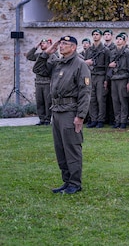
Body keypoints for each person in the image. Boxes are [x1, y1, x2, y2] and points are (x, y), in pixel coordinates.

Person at [33, 36, 91, 195]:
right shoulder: (57, 63)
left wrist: (80, 116)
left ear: (73, 47)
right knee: (60, 149)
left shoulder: (80, 64)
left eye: (65, 44)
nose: (61, 46)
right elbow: (38, 69)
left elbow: (85, 92)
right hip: (57, 110)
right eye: (61, 44)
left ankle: (75, 183)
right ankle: (66, 181)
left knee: (72, 148)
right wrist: (47, 53)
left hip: (70, 111)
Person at [26, 39, 56, 126]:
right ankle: (41, 119)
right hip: (38, 82)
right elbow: (29, 56)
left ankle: (47, 119)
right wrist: (36, 46)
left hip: (47, 82)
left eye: (44, 43)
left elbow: (47, 70)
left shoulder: (52, 56)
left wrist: (37, 70)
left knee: (48, 102)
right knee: (39, 102)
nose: (42, 44)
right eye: (41, 43)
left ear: (50, 44)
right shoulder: (39, 55)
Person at [108, 33, 129, 129]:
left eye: (120, 39)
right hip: (114, 77)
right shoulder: (113, 52)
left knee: (123, 100)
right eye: (117, 39)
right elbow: (109, 66)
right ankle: (117, 120)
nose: (118, 41)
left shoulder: (127, 52)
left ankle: (123, 120)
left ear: (124, 41)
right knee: (115, 100)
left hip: (123, 77)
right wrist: (110, 65)